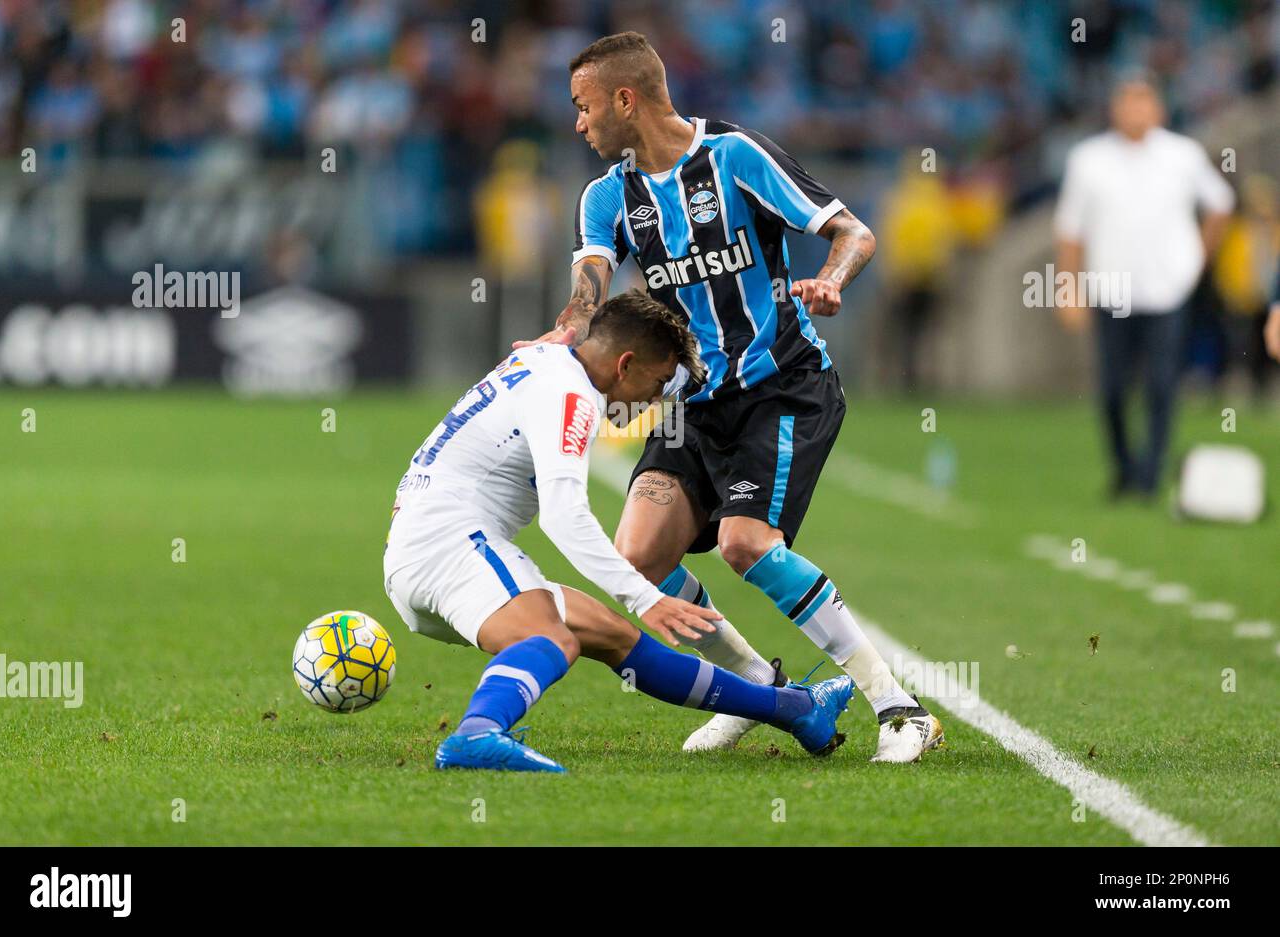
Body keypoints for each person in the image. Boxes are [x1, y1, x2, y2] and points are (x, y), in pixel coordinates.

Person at [516, 32, 940, 763]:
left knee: (746, 543)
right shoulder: (608, 195)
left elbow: (853, 231)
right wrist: (560, 336)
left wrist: (832, 279)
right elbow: (589, 288)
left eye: (584, 107)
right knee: (637, 556)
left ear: (627, 99)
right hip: (691, 399)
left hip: (780, 386)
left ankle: (899, 708)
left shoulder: (735, 158)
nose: (578, 123)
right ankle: (760, 687)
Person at [384, 290, 855, 773]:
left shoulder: (548, 360)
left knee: (613, 637)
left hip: (425, 549)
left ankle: (796, 710)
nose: (655, 400)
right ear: (625, 364)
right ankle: (476, 735)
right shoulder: (571, 395)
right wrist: (644, 596)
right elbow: (564, 515)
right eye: (655, 383)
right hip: (450, 545)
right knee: (553, 639)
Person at [1055, 74, 1235, 497]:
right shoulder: (1089, 159)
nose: (1135, 110)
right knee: (1114, 388)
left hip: (1166, 291)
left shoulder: (1183, 155)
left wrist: (1196, 261)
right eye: (1127, 101)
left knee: (1161, 384)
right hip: (1110, 291)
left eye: (1143, 101)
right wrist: (1068, 288)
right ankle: (1124, 467)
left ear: (1159, 108)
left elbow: (1221, 204)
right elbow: (1070, 230)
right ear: (1114, 108)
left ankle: (1151, 476)